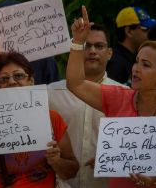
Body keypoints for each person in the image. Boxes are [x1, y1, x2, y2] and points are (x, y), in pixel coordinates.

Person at [66, 6, 156, 188]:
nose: (136, 69)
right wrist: (78, 42)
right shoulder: (118, 97)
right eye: (136, 61)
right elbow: (75, 83)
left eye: (146, 65)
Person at [0, 52, 79, 188]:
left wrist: (57, 161)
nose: (11, 82)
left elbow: (72, 171)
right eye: (4, 79)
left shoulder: (52, 118)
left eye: (19, 76)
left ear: (31, 81)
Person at [48, 23, 123, 188]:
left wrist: (115, 157)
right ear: (75, 49)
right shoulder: (51, 93)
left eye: (99, 46)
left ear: (109, 53)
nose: (93, 51)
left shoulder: (124, 94)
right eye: (86, 45)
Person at [0, 0, 59, 90]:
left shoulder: (45, 60)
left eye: (15, 25)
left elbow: (55, 94)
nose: (9, 30)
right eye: (1, 24)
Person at [106, 6, 156, 85]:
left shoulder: (132, 58)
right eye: (145, 29)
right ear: (129, 31)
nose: (150, 33)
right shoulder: (116, 65)